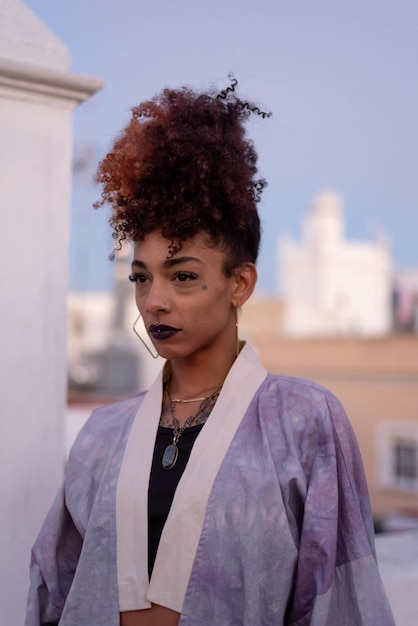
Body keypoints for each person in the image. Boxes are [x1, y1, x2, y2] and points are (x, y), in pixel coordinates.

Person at [25, 78, 395, 626]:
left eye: (184, 276)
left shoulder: (303, 422)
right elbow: (53, 589)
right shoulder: (103, 435)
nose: (155, 301)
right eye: (141, 277)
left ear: (240, 283)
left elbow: (340, 598)